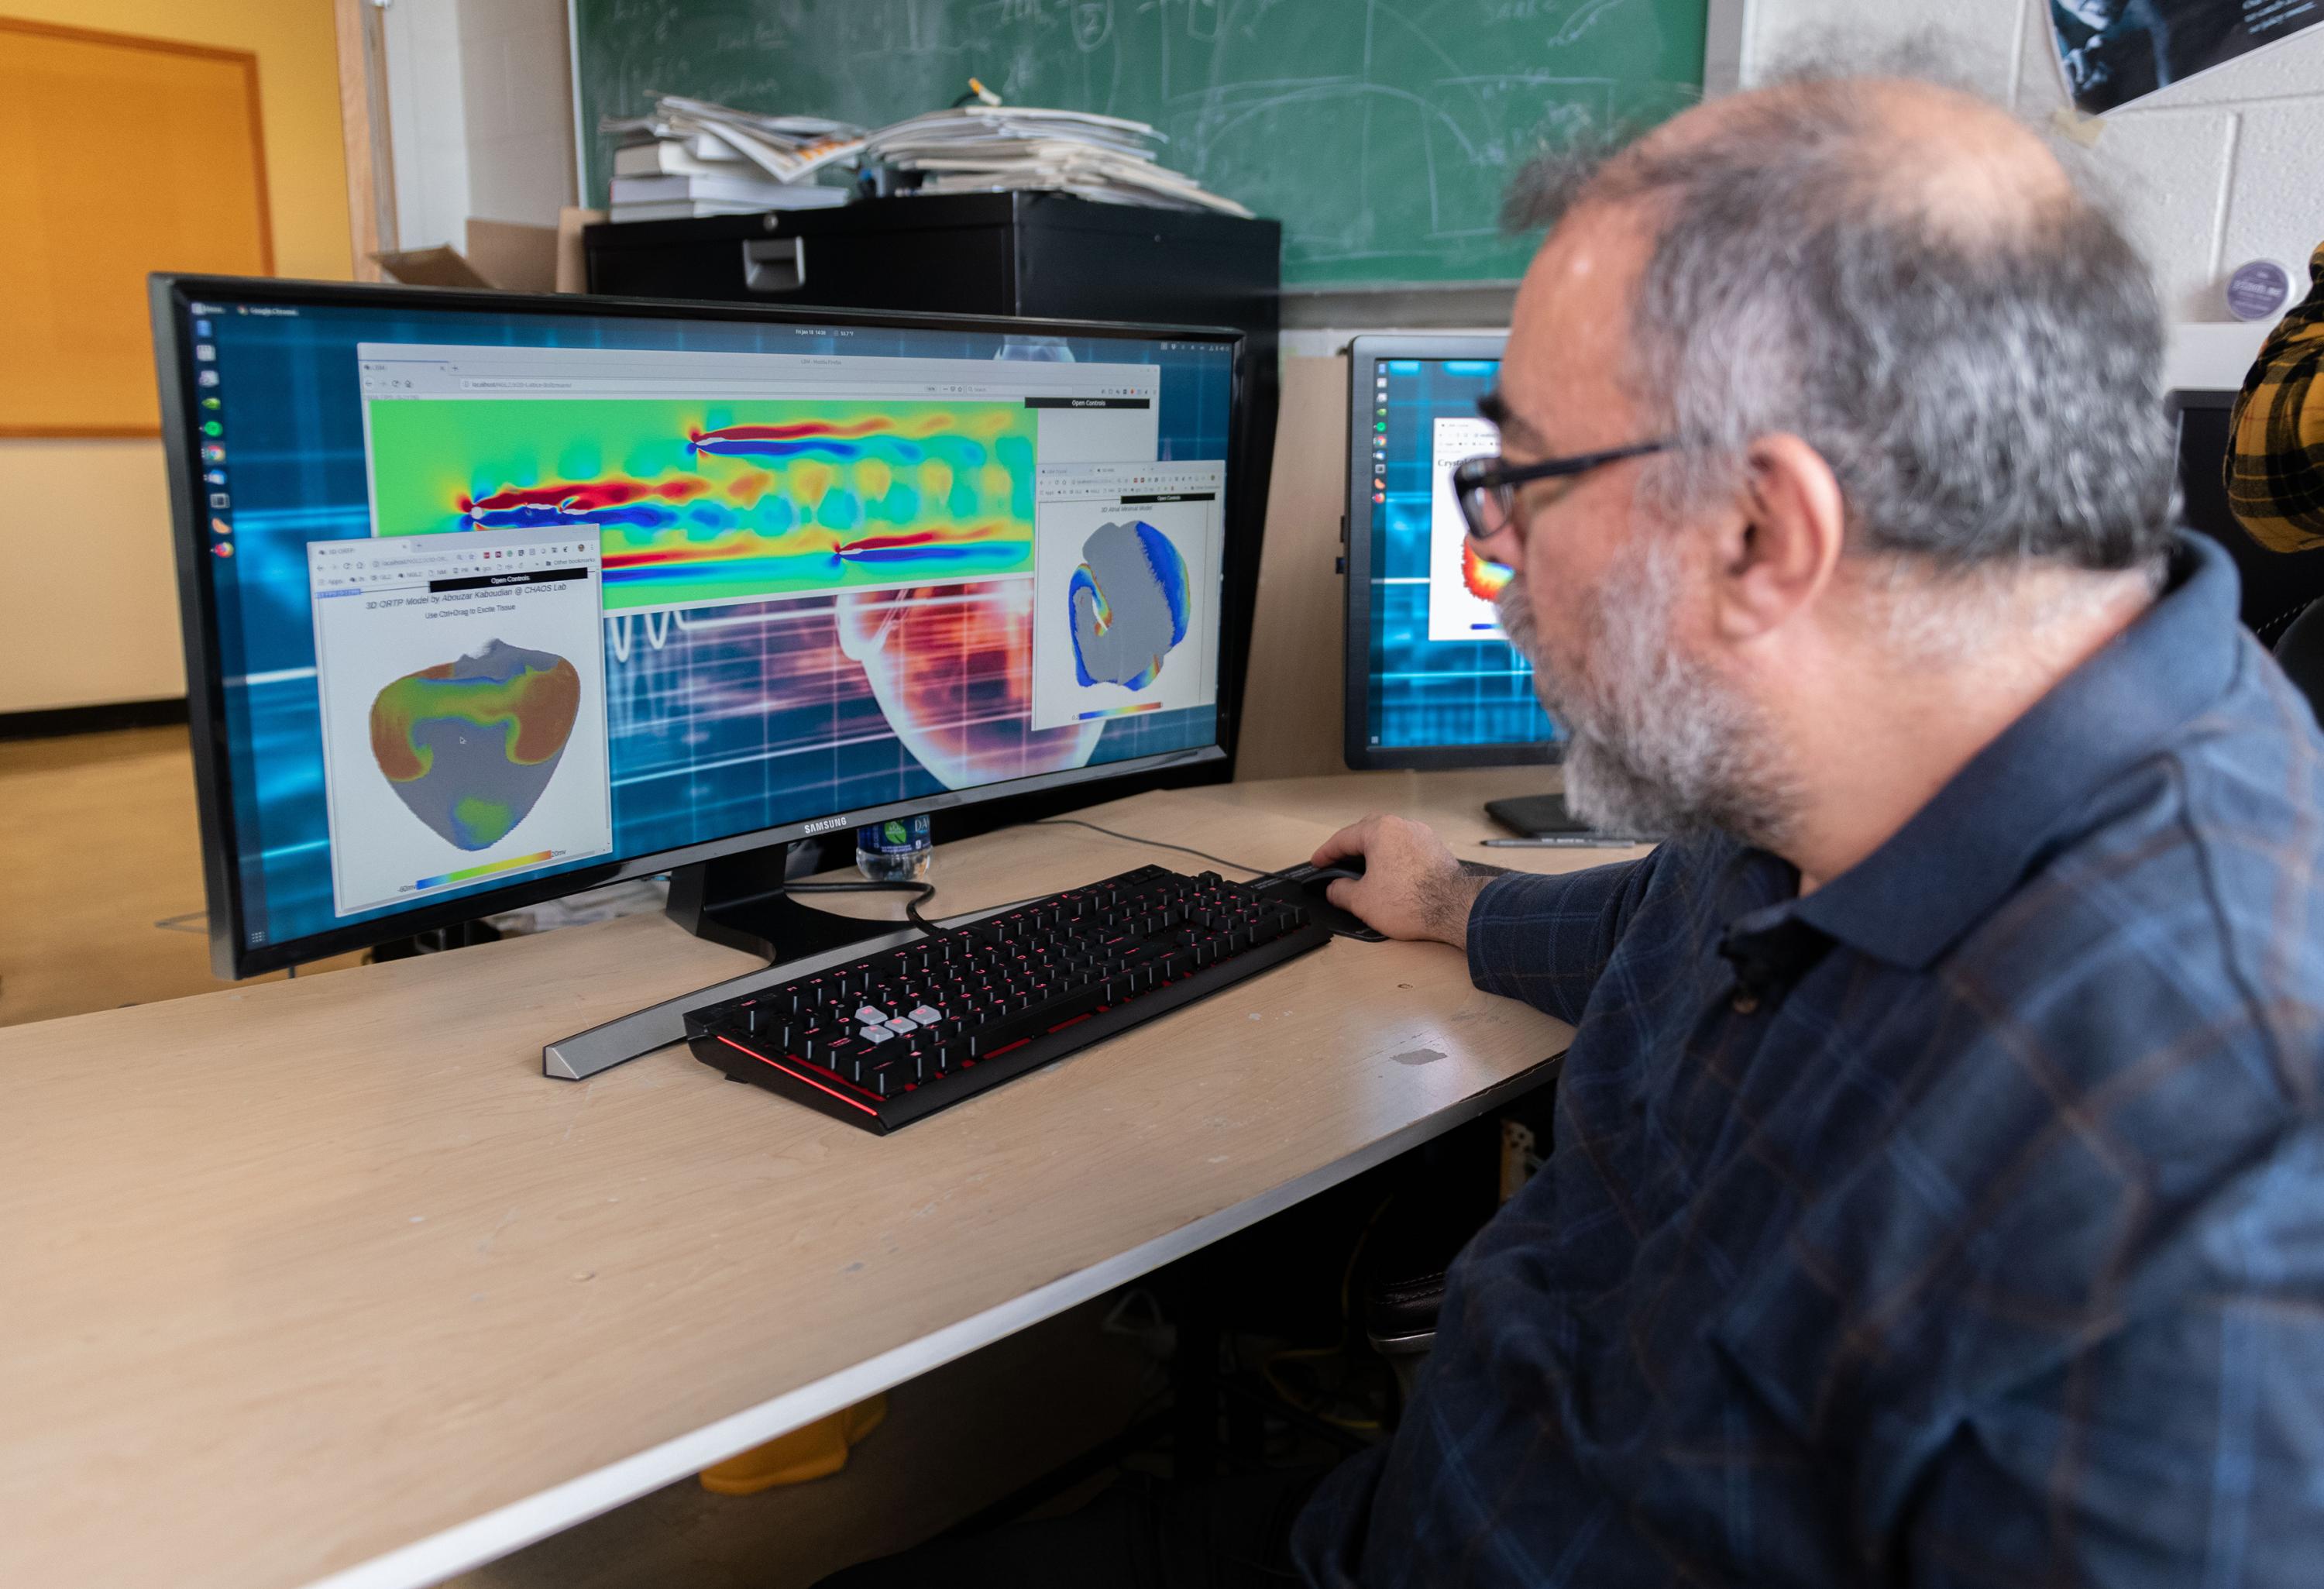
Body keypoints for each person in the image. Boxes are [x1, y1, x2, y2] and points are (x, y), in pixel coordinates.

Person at [820, 65, 2324, 1589]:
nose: (1501, 557)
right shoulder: (1829, 790)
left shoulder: (2207, 1163)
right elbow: (1669, 930)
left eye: (1521, 481)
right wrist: (1454, 899)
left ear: (1762, 536)